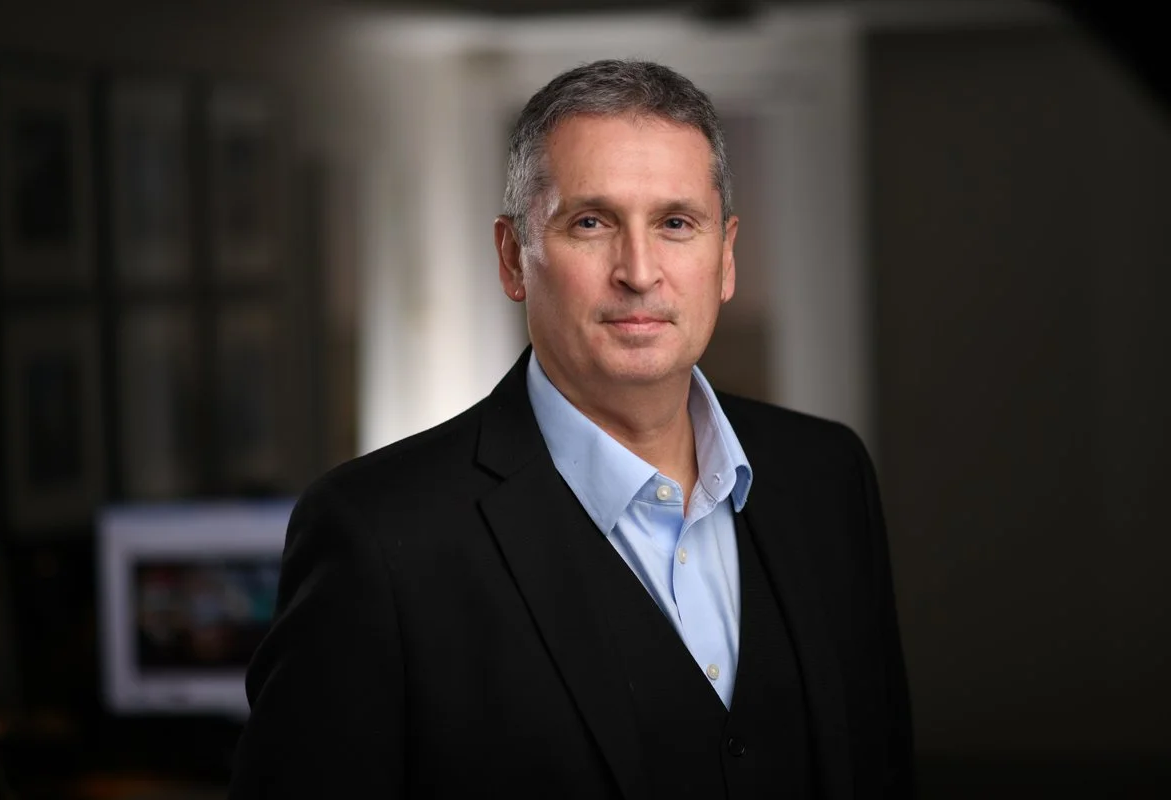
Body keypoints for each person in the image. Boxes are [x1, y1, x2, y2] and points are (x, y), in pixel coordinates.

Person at [229, 59, 913, 799]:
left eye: (676, 223)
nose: (640, 271)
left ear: (725, 257)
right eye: (591, 223)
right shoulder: (378, 535)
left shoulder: (827, 475)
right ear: (511, 258)